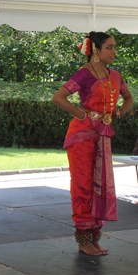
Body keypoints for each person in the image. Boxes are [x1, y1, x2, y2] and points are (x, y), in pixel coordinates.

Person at [53, 31, 133, 256]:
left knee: (100, 184)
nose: (114, 51)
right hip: (82, 137)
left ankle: (94, 236)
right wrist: (81, 116)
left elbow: (128, 98)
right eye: (110, 47)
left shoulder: (115, 76)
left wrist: (117, 113)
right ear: (95, 50)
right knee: (83, 185)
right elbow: (58, 97)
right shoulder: (84, 75)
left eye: (114, 47)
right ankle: (83, 239)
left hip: (103, 135)